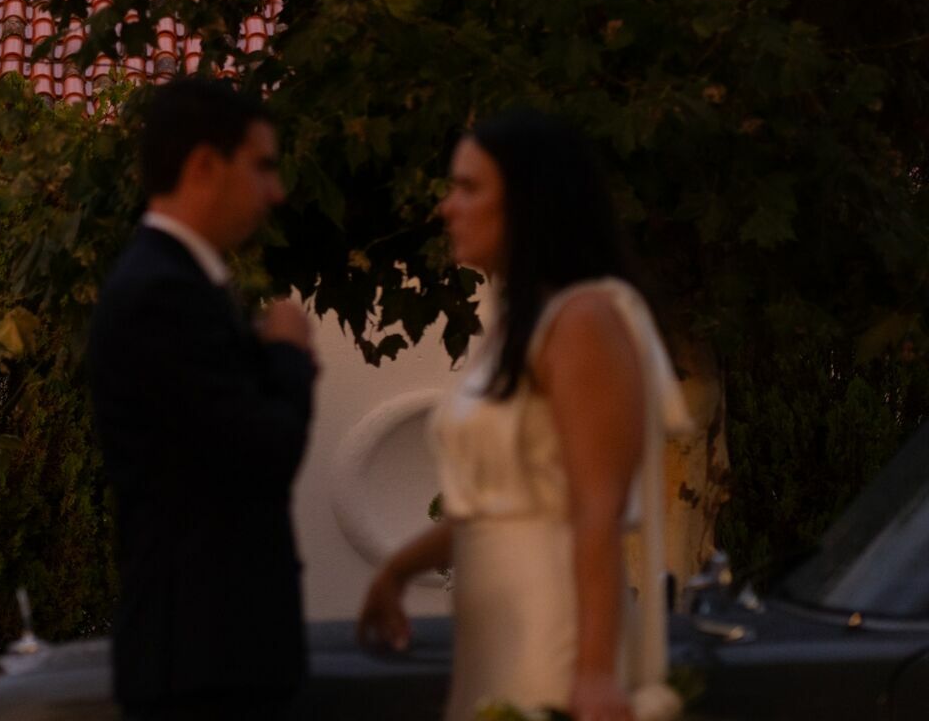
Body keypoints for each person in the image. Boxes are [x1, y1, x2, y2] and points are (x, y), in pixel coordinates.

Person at [356, 110, 693, 721]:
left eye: (468, 188)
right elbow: (494, 504)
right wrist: (397, 571)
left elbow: (597, 506)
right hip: (498, 635)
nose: (446, 207)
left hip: (556, 636)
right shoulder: (520, 323)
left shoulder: (584, 321)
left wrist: (592, 675)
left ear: (531, 202)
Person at [87, 77, 318, 721]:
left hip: (209, 661)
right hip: (202, 668)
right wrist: (290, 355)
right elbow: (265, 451)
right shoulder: (162, 295)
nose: (277, 192)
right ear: (204, 166)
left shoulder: (174, 283)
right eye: (263, 167)